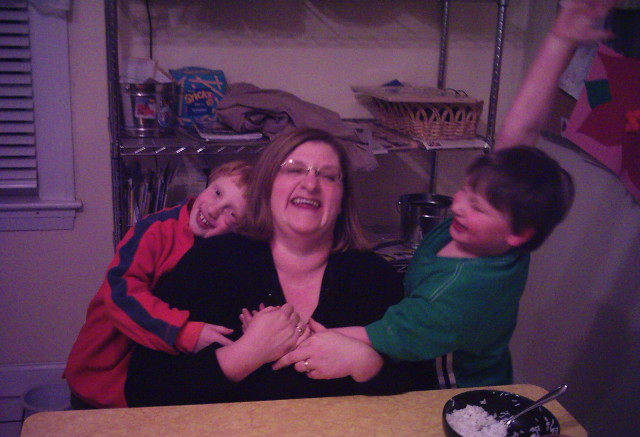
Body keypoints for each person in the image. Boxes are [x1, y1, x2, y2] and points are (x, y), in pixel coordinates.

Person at [273, 0, 618, 388]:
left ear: (517, 235)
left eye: (476, 206)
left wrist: (299, 337)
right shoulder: (502, 236)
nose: (457, 205)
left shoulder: (457, 292)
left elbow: (378, 337)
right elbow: (518, 135)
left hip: (454, 391)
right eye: (466, 191)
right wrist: (560, 38)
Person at [124, 128, 436, 407]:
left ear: (342, 200)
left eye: (328, 176)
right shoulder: (210, 262)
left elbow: (425, 394)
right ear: (266, 187)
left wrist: (367, 365)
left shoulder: (375, 279)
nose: (310, 183)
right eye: (294, 170)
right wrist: (242, 356)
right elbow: (143, 388)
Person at [64, 160, 253, 408]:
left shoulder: (225, 253)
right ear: (207, 184)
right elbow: (121, 294)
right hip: (103, 375)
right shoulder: (155, 230)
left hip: (152, 384)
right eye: (217, 193)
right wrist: (184, 332)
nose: (215, 210)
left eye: (232, 213)